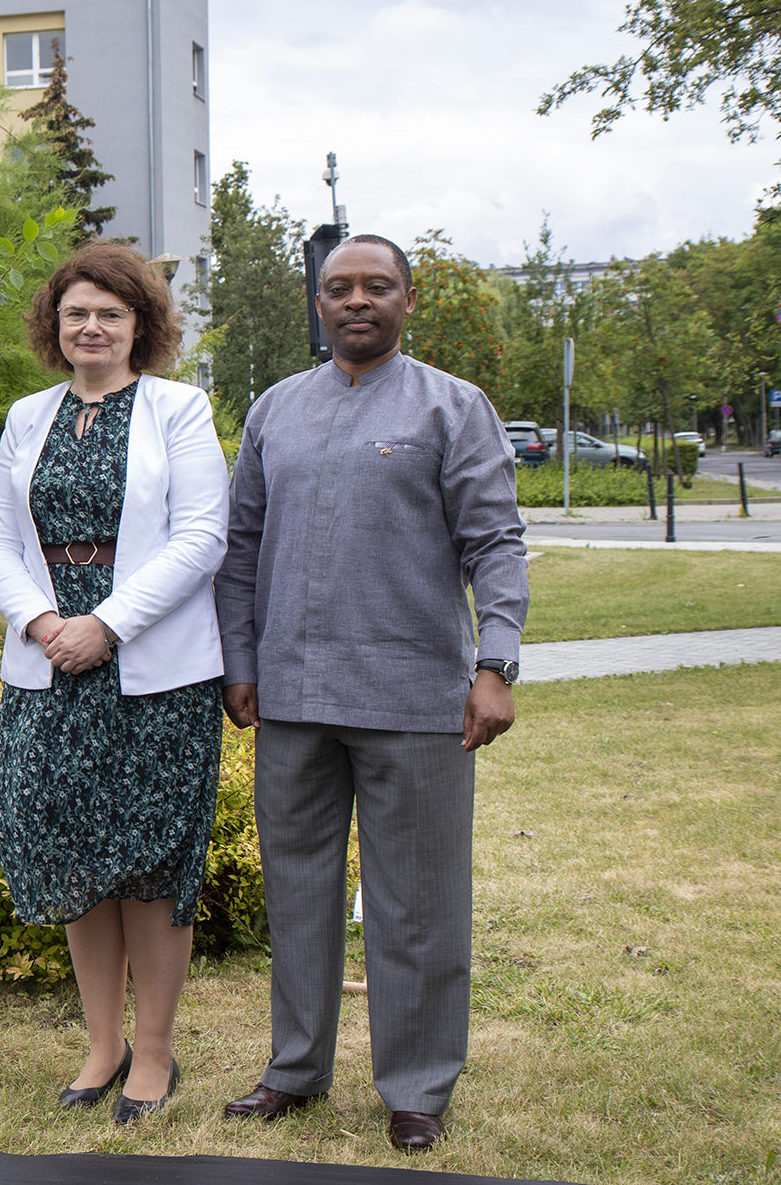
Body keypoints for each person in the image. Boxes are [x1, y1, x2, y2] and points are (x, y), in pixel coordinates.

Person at [213, 234, 527, 1153]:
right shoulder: (276, 409)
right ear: (318, 302)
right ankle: (295, 1068)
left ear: (407, 300)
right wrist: (240, 662)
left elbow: (496, 543)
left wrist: (495, 663)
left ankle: (418, 1084)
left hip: (415, 699)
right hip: (294, 702)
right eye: (338, 288)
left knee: (417, 901)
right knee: (298, 893)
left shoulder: (453, 408)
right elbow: (240, 548)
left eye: (376, 287)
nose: (357, 301)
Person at [0, 240, 230, 1124]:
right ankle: (101, 1044)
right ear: (55, 322)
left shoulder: (180, 410)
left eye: (110, 313)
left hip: (152, 667)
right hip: (50, 664)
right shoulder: (26, 415)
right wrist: (46, 623)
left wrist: (107, 623)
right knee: (77, 853)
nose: (91, 326)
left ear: (140, 326)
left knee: (152, 861)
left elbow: (203, 537)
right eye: (76, 311)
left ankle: (154, 1053)